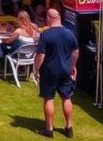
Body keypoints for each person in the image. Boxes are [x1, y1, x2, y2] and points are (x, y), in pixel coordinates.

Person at [34, 8, 79, 138]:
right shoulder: (69, 33)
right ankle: (69, 127)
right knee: (66, 97)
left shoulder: (46, 35)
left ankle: (49, 129)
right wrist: (72, 66)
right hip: (65, 70)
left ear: (48, 18)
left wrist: (36, 69)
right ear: (59, 17)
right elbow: (75, 52)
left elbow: (40, 55)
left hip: (49, 71)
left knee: (48, 98)